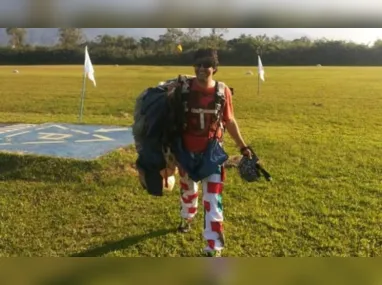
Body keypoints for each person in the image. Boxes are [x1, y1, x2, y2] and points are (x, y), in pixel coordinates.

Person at [175, 48, 253, 257]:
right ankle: (187, 217)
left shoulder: (222, 90)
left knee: (213, 200)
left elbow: (229, 120)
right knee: (187, 190)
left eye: (207, 65)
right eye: (198, 64)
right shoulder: (182, 87)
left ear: (215, 68)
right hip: (185, 153)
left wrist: (243, 147)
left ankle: (213, 248)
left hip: (212, 155)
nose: (202, 69)